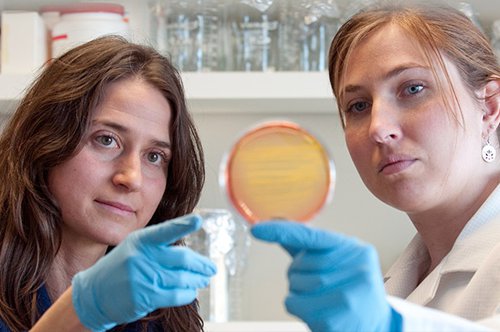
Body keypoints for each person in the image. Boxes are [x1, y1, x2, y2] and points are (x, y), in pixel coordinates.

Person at [251, 2, 500, 331]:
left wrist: (391, 324)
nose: (378, 128)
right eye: (358, 106)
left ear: (489, 107)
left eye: (412, 88)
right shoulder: (396, 283)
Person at [0, 35, 216, 331]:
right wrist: (80, 311)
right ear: (43, 142)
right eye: (106, 140)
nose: (131, 178)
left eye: (154, 156)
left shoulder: (159, 313)